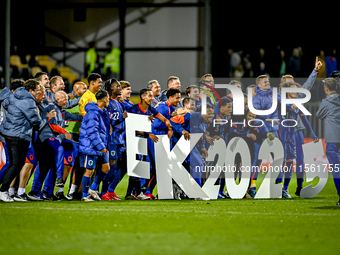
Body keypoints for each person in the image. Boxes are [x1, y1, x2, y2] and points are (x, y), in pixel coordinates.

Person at [144, 88, 190, 199]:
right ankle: (146, 191)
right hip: (156, 138)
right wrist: (167, 127)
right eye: (177, 98)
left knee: (162, 166)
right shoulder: (164, 107)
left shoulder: (168, 107)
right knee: (158, 166)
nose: (179, 101)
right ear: (170, 97)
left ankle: (158, 191)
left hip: (162, 138)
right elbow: (154, 124)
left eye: (179, 98)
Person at [0, 79, 41, 202]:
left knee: (12, 164)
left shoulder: (14, 96)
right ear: (31, 90)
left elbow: (5, 104)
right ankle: (3, 191)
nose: (38, 93)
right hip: (19, 135)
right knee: (17, 164)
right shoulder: (29, 101)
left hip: (8, 133)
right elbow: (36, 120)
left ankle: (4, 190)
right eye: (37, 90)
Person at [277, 82, 318, 198]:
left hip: (291, 135)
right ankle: (278, 187)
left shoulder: (297, 104)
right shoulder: (280, 100)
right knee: (281, 161)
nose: (295, 92)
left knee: (290, 161)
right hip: (280, 134)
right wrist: (291, 105)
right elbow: (282, 103)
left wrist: (313, 134)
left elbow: (305, 120)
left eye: (296, 90)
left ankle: (285, 189)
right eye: (293, 90)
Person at [79, 90, 111, 202]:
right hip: (91, 146)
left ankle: (92, 189)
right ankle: (84, 195)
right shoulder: (93, 113)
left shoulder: (102, 112)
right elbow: (92, 132)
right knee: (89, 171)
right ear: (104, 99)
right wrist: (100, 146)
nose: (109, 101)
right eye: (108, 98)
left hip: (100, 145)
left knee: (106, 167)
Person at [315, 78, 340, 206]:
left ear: (326, 89)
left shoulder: (326, 101)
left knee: (336, 168)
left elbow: (319, 115)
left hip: (333, 138)